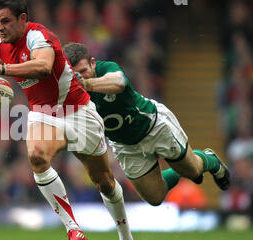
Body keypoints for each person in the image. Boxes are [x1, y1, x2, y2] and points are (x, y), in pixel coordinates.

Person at [0, 0, 144, 240]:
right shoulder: (0, 44)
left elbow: (42, 67)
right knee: (37, 156)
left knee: (105, 183)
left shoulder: (41, 37)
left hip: (79, 113)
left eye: (5, 21)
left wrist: (0, 69)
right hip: (45, 113)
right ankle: (73, 230)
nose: (0, 27)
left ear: (23, 19)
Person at [63, 42, 231, 207]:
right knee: (155, 198)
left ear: (92, 63)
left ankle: (211, 160)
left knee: (193, 171)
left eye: (83, 71)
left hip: (153, 125)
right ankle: (179, 169)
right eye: (74, 75)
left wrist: (85, 85)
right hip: (125, 144)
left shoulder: (106, 68)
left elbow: (119, 82)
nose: (80, 77)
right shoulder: (66, 91)